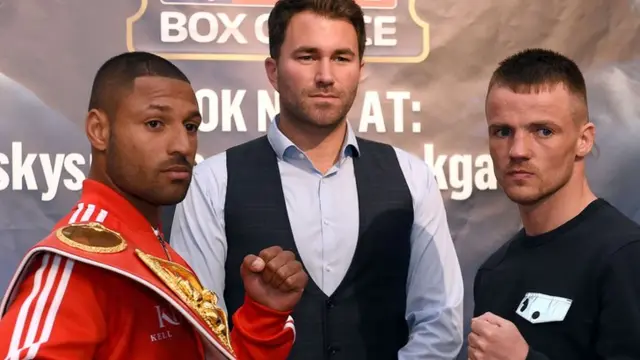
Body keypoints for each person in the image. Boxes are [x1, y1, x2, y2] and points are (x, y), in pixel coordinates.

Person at [169, 0, 464, 359]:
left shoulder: (412, 177)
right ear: (273, 71)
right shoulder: (212, 182)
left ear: (360, 69)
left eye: (341, 58)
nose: (326, 75)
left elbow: (440, 321)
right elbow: (200, 332)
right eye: (307, 57)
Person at [0, 51, 309, 360]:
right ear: (99, 130)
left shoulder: (154, 250)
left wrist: (263, 316)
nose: (182, 145)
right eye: (155, 123)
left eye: (190, 126)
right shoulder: (79, 265)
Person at [469, 48, 640, 359]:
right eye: (503, 132)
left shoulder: (626, 256)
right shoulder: (494, 272)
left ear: (583, 140)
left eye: (543, 131)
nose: (518, 150)